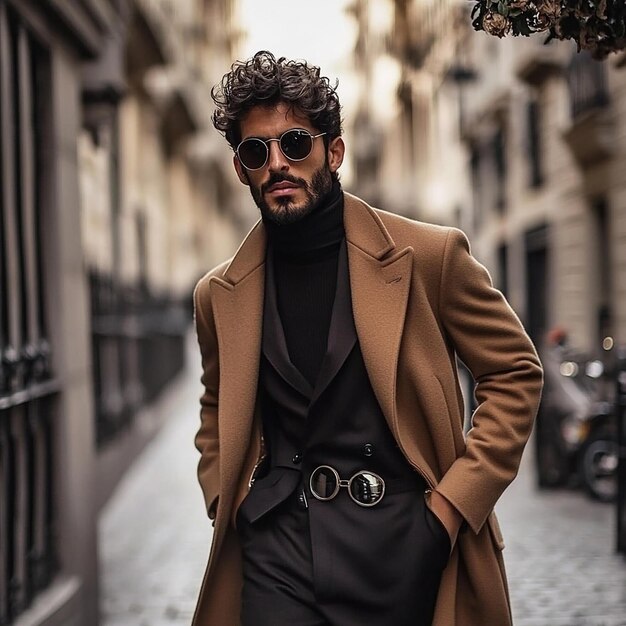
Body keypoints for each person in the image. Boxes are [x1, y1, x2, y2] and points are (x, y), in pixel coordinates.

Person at [191, 51, 543, 626]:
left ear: (335, 151)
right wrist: (223, 499)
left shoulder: (429, 256)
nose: (277, 164)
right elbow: (215, 404)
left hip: (402, 541)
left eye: (296, 144)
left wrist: (448, 512)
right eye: (257, 151)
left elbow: (514, 373)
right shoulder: (219, 293)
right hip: (277, 551)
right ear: (240, 168)